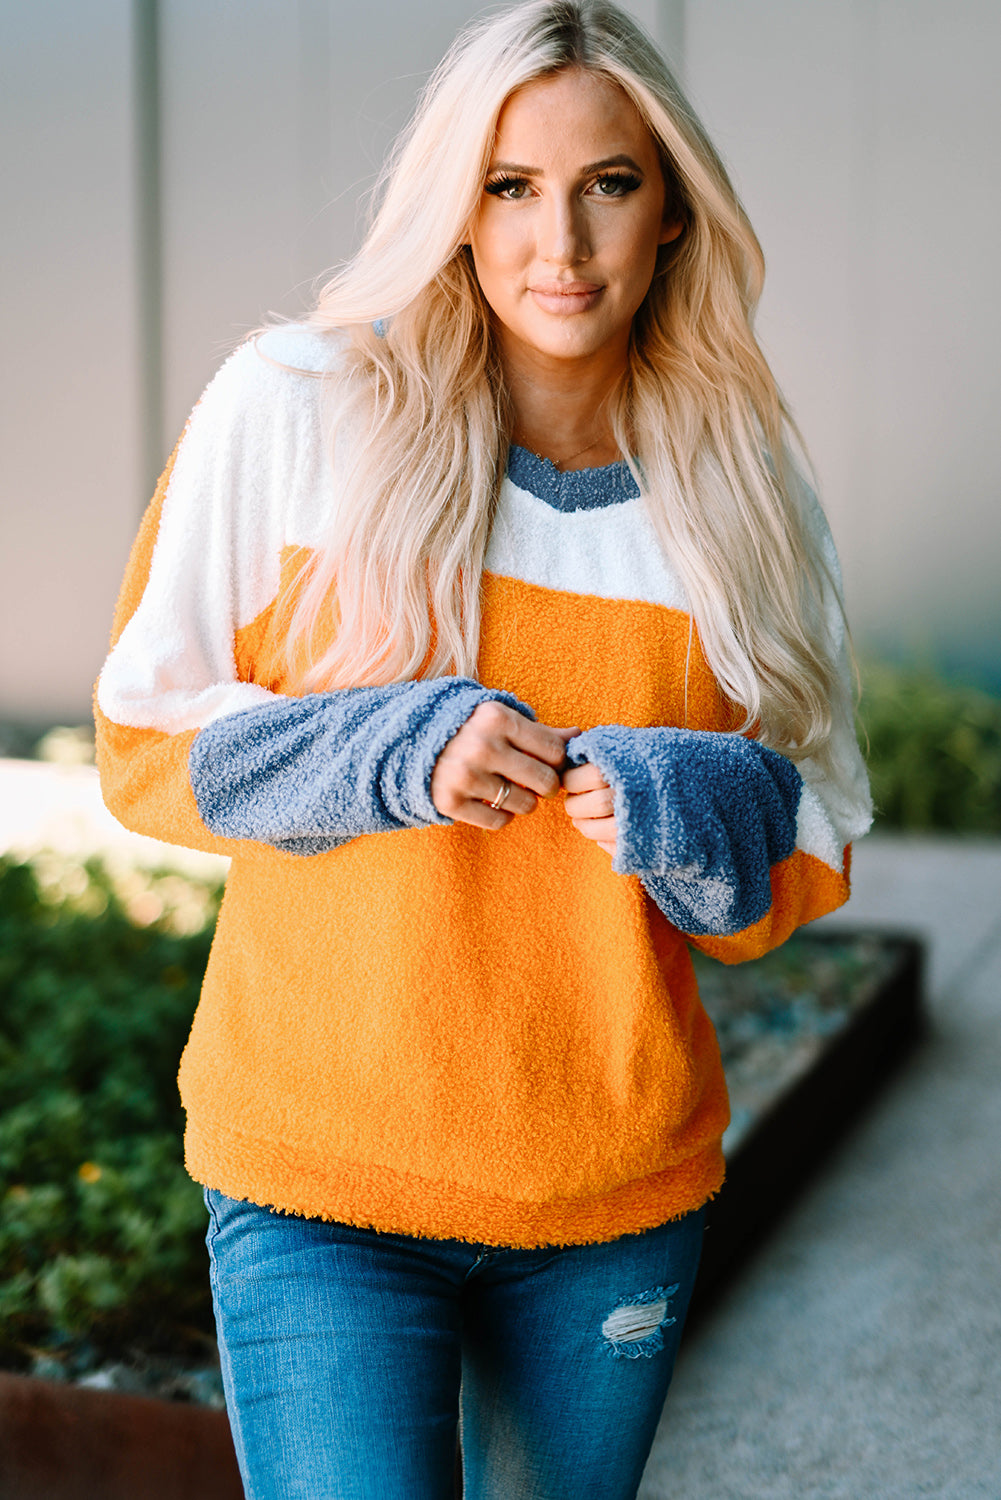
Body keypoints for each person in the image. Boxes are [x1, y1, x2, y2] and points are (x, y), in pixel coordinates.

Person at [95, 2, 872, 1495]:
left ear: (671, 210)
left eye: (608, 183)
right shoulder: (299, 406)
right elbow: (142, 740)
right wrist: (393, 749)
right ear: (452, 205)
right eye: (509, 185)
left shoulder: (740, 491)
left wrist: (677, 797)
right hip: (319, 1175)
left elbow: (812, 840)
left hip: (608, 1191)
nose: (557, 244)